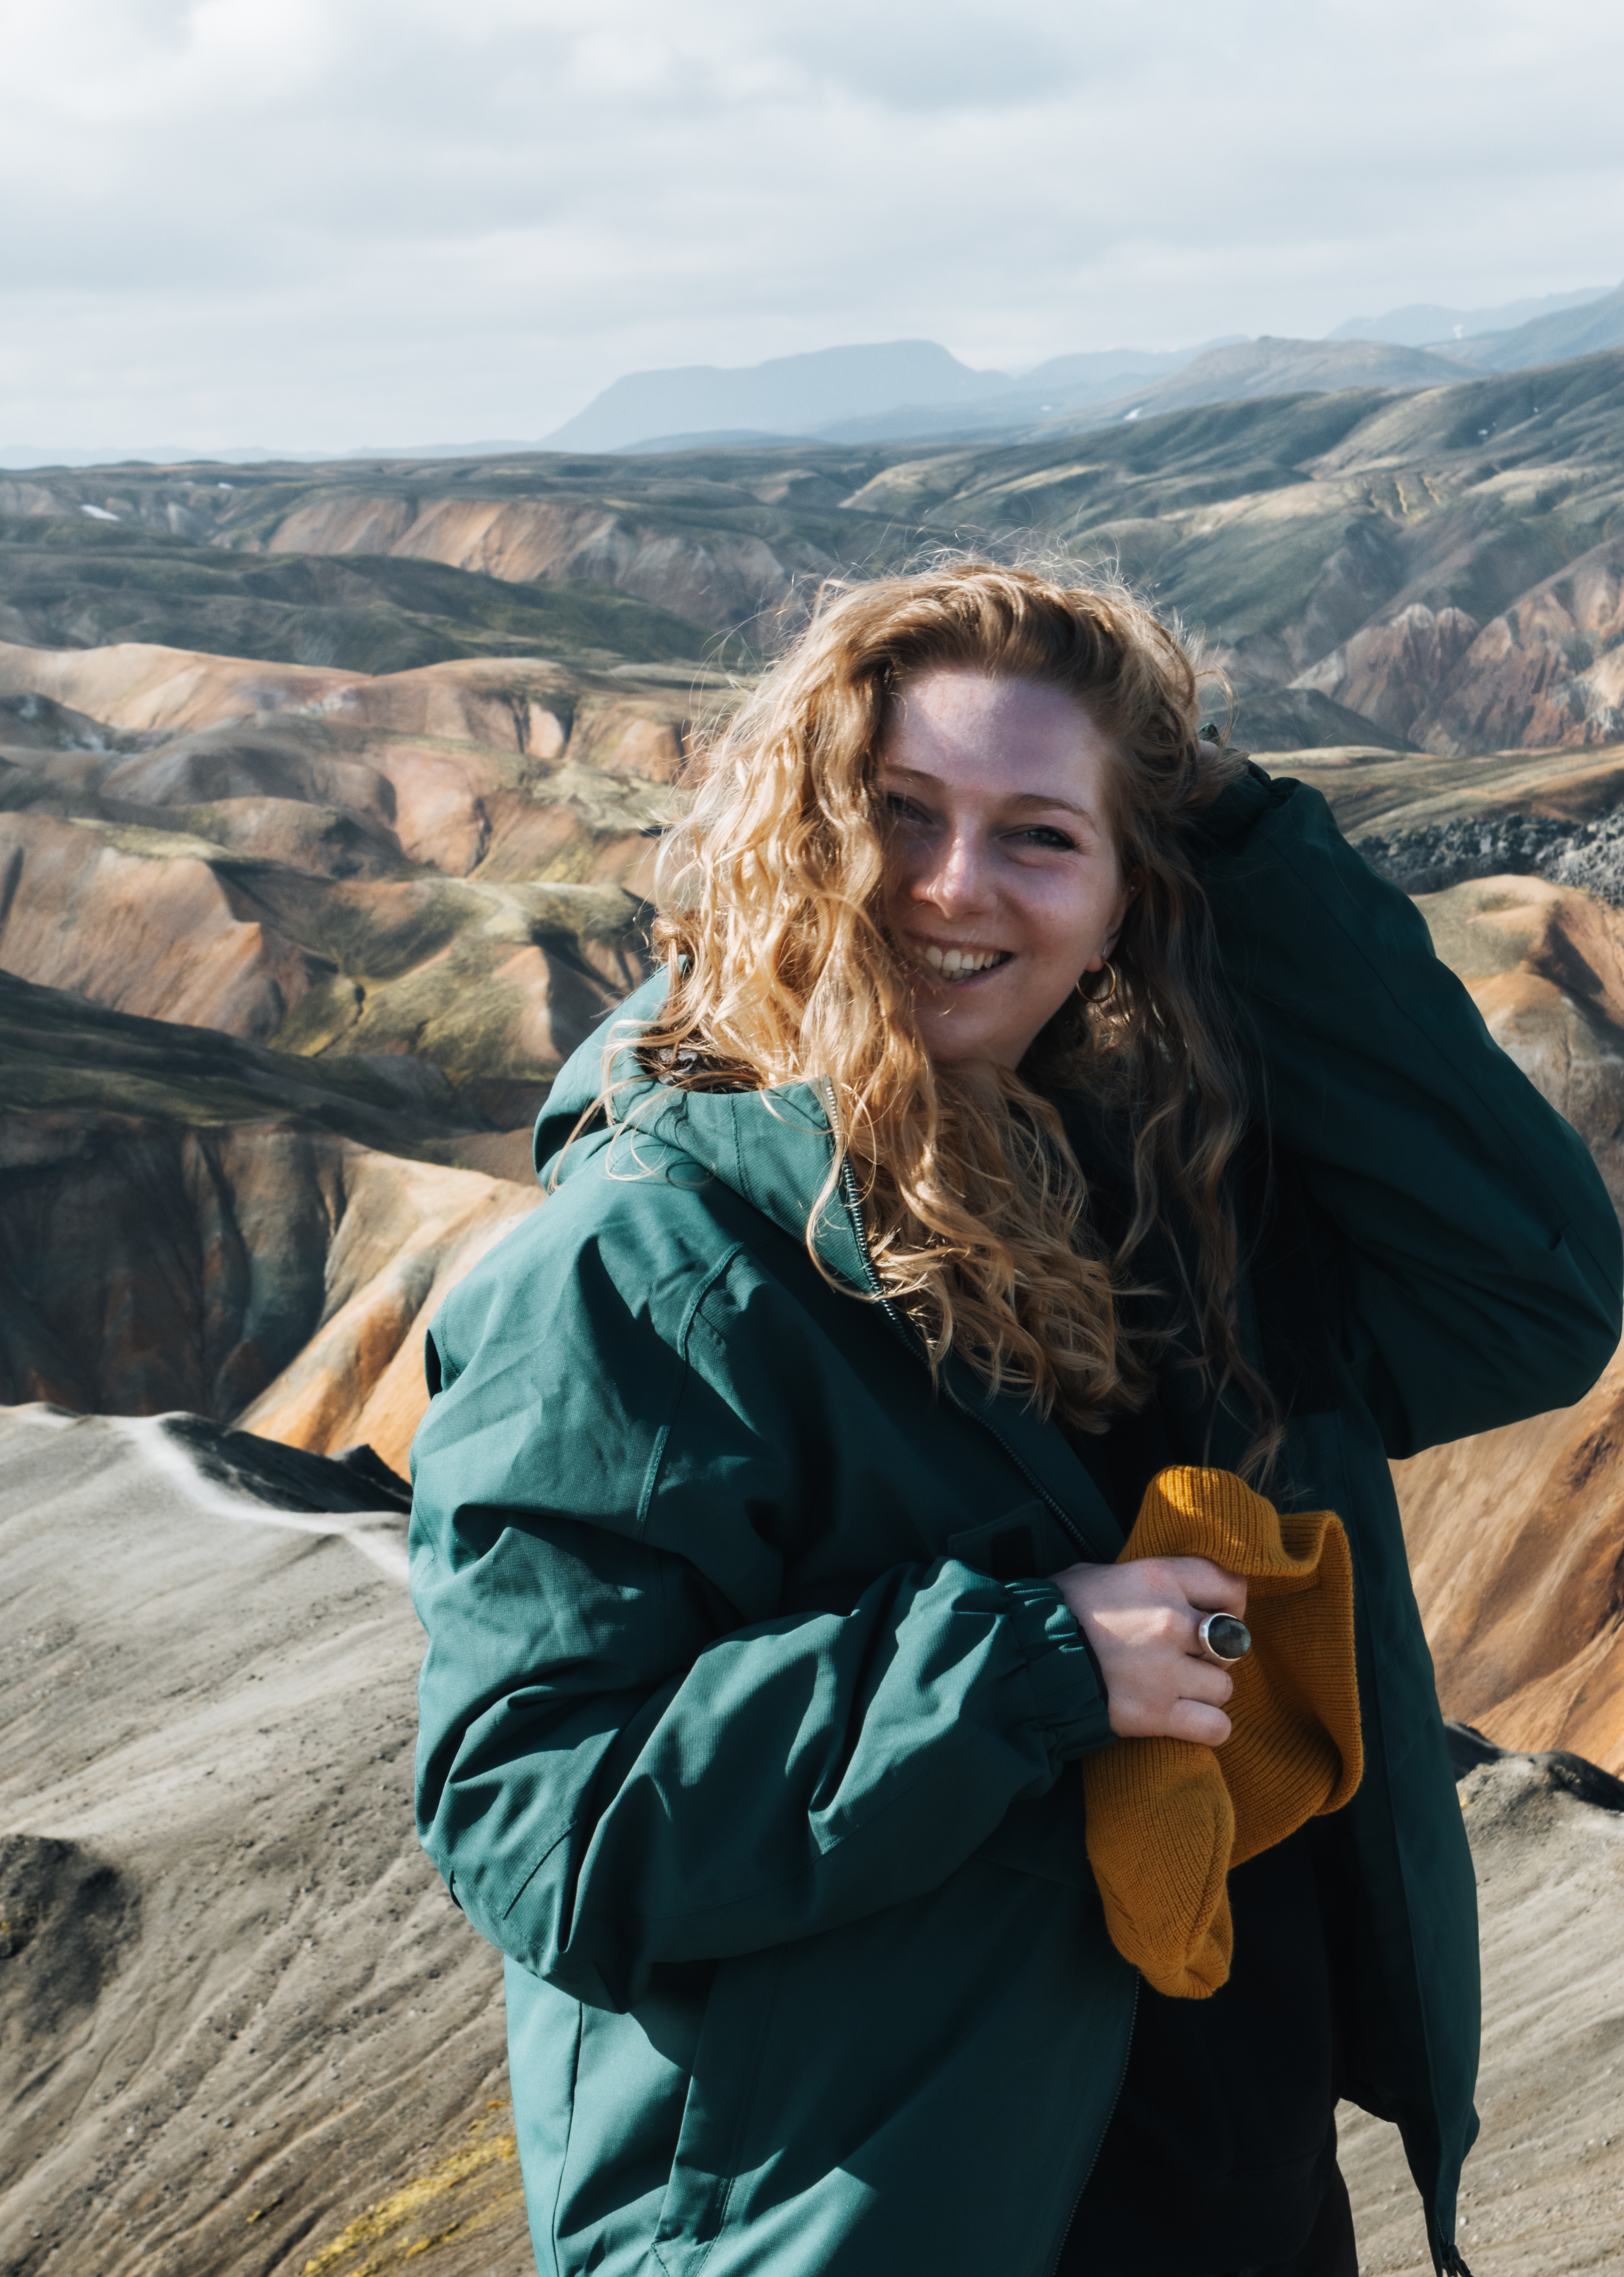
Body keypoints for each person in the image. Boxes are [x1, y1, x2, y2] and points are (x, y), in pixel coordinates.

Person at [410, 562, 1621, 2277]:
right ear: (799, 830)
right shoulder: (642, 1268)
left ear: (1133, 892)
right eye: (895, 813)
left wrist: (1244, 843)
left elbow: (1532, 1298)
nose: (947, 888)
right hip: (868, 2226)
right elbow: (540, 1820)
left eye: (1041, 836)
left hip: (1236, 2209)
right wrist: (1021, 1667)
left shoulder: (1172, 1207)